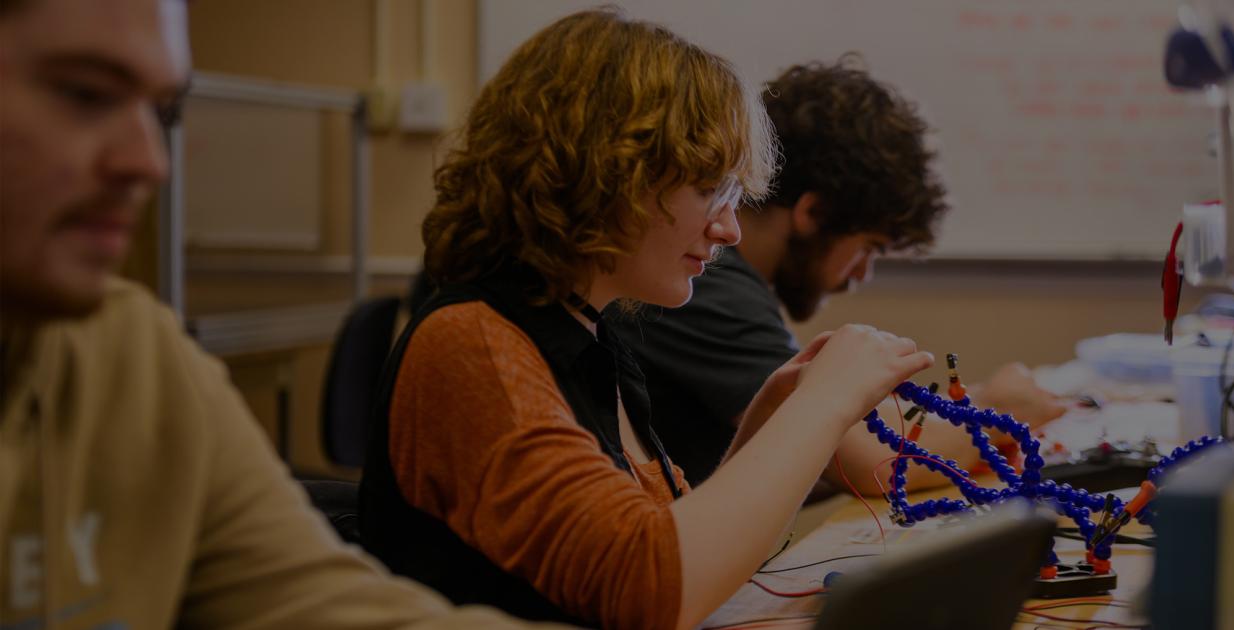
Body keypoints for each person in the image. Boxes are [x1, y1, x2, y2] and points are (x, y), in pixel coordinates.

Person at [357, 9, 934, 630]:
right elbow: (650, 589)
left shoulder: (595, 333)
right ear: (609, 172)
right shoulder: (472, 345)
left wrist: (772, 421)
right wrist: (821, 408)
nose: (729, 229)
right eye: (709, 188)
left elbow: (692, 551)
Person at [0, 0, 553, 627]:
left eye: (164, 112)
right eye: (85, 93)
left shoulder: (133, 353)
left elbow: (331, 609)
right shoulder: (473, 335)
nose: (150, 162)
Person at [608, 59, 1067, 493]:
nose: (862, 274)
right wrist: (999, 414)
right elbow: (870, 461)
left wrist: (981, 399)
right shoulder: (706, 285)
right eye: (868, 247)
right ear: (814, 211)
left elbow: (855, 419)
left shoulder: (724, 280)